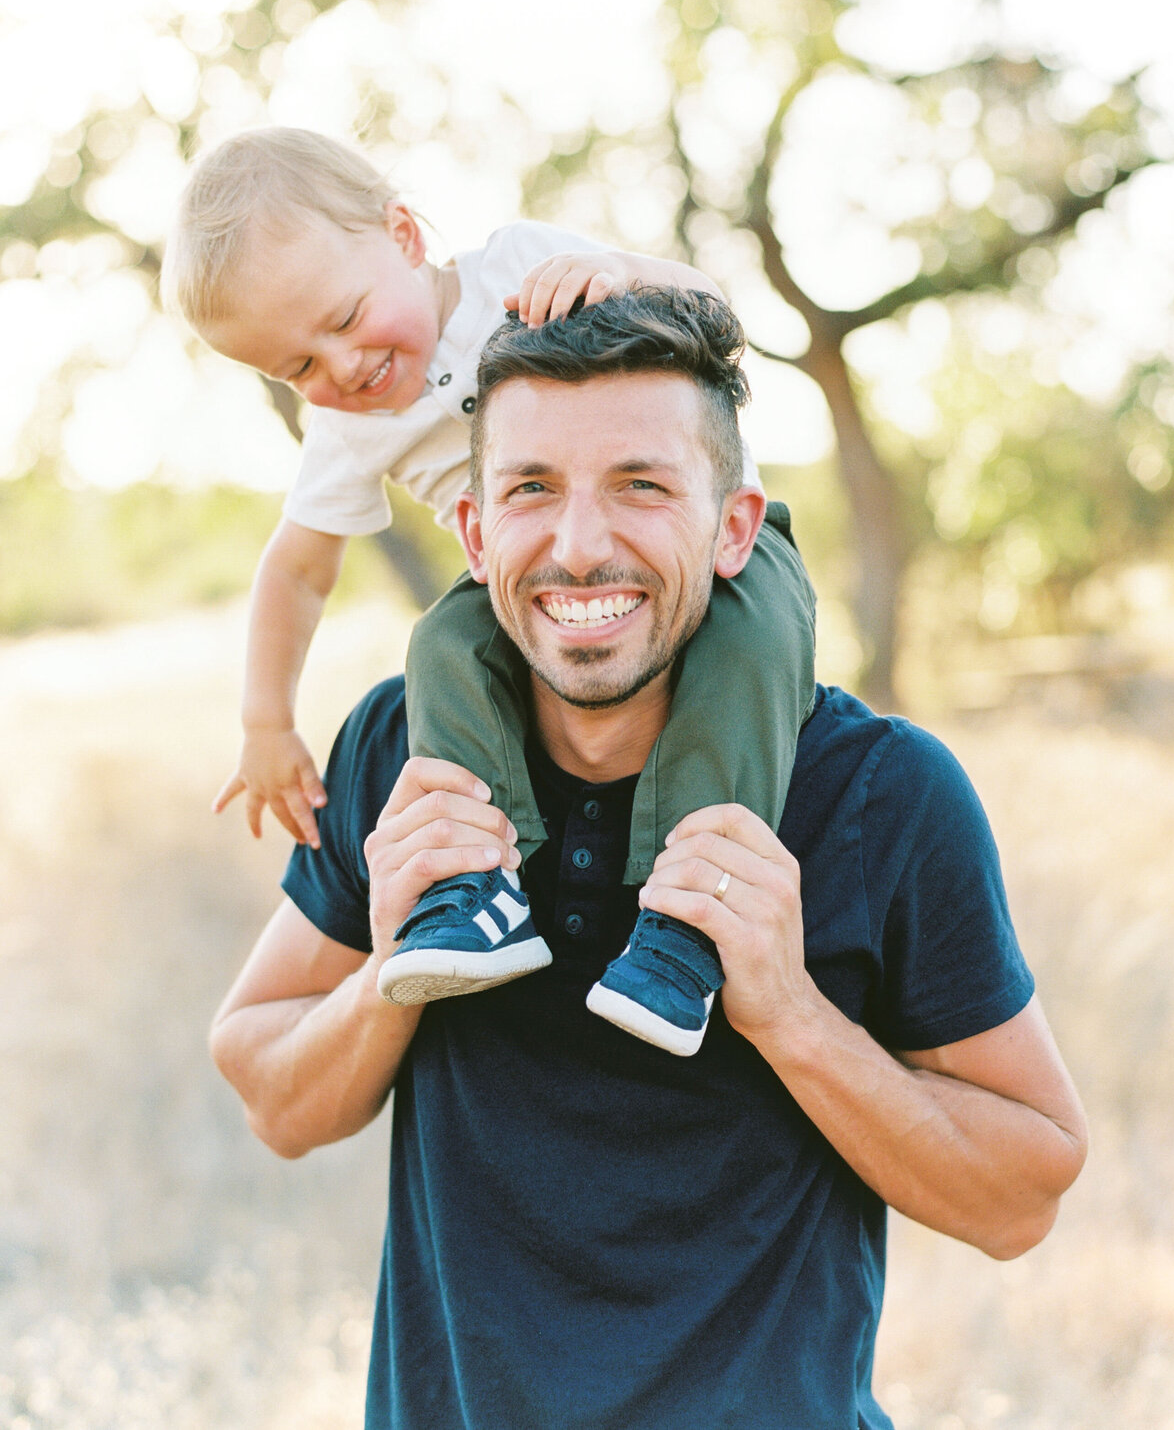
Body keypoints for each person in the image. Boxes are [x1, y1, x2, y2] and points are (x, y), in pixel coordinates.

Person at [209, 287, 1087, 1430]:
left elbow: (1022, 1197)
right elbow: (271, 1094)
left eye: (642, 485)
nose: (580, 546)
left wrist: (787, 1011)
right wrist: (388, 968)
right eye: (531, 489)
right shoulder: (402, 750)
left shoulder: (881, 792)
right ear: (475, 532)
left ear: (734, 527)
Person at [164, 128, 816, 1055]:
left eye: (345, 319)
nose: (339, 368)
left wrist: (620, 273)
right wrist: (266, 722)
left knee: (751, 650)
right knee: (441, 646)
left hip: (714, 550)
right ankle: (475, 887)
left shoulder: (516, 266)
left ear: (403, 235)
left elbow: (715, 316)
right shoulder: (348, 434)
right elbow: (297, 568)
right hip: (523, 591)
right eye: (297, 368)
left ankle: (693, 919)